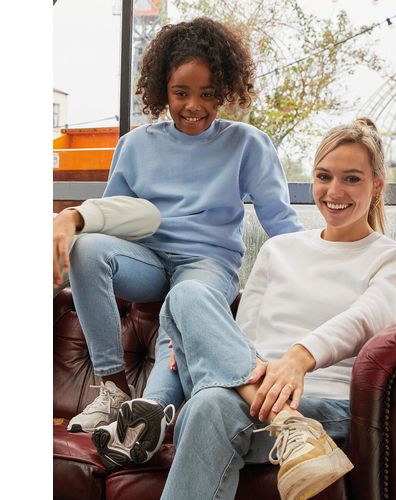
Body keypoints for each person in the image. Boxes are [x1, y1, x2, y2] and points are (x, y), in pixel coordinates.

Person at [89, 118, 396, 499]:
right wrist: (203, 340)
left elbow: (366, 318)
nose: (334, 191)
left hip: (324, 405)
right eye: (324, 176)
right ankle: (288, 425)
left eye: (352, 179)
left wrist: (298, 359)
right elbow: (242, 338)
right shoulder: (278, 249)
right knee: (187, 294)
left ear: (377, 185)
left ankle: (292, 421)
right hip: (251, 401)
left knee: (210, 405)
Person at [52, 17, 302, 438]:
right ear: (161, 90)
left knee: (184, 304)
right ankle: (114, 391)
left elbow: (282, 224)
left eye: (208, 93)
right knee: (87, 247)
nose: (193, 105)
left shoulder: (248, 143)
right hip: (146, 262)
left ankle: (147, 419)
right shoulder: (135, 145)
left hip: (208, 265)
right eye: (181, 93)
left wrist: (320, 273)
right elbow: (110, 219)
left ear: (225, 89)